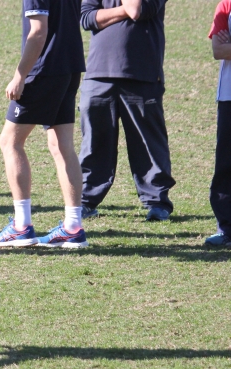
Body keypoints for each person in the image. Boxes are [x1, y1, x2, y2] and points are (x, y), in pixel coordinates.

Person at [0, 0, 89, 248]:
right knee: (61, 145)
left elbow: (38, 31)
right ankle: (73, 227)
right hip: (70, 67)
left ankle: (21, 227)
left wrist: (19, 76)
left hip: (44, 70)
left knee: (10, 142)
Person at [79, 0, 175, 221]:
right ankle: (85, 201)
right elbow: (87, 18)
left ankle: (157, 203)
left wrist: (110, 14)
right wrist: (122, 11)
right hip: (98, 74)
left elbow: (138, 10)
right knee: (93, 142)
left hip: (142, 75)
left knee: (147, 143)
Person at [206, 0, 231, 247]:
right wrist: (226, 46)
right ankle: (226, 229)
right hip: (229, 96)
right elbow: (218, 50)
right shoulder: (226, 5)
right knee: (226, 165)